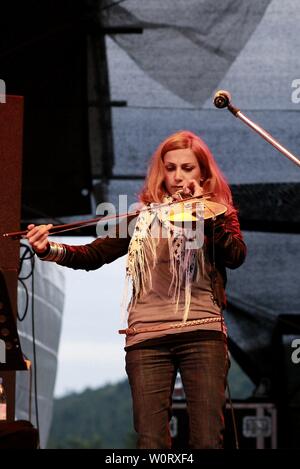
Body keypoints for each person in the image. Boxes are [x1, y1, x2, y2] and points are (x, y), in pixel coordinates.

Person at [26, 130, 246, 449]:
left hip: (202, 333)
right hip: (147, 339)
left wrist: (205, 219)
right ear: (161, 171)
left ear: (202, 172)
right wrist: (49, 249)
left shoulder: (218, 214)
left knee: (207, 441)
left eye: (187, 168)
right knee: (151, 442)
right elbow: (93, 255)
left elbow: (235, 256)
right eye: (171, 168)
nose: (178, 176)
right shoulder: (141, 219)